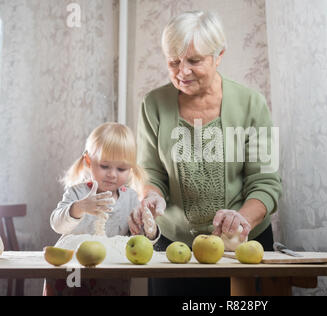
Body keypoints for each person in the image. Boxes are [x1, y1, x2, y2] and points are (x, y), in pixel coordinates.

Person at [132, 11, 282, 296]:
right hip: (172, 246)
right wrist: (150, 196)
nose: (182, 71)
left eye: (194, 61)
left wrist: (242, 220)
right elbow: (150, 171)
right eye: (173, 62)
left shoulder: (253, 103)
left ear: (219, 55)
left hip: (242, 246)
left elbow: (266, 182)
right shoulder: (152, 104)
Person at [44, 122, 160, 296]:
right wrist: (80, 207)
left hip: (111, 275)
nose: (112, 174)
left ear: (131, 169)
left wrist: (149, 231)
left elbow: (139, 245)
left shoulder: (130, 198)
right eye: (104, 166)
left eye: (121, 168)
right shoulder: (77, 192)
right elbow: (57, 224)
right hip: (72, 271)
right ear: (88, 161)